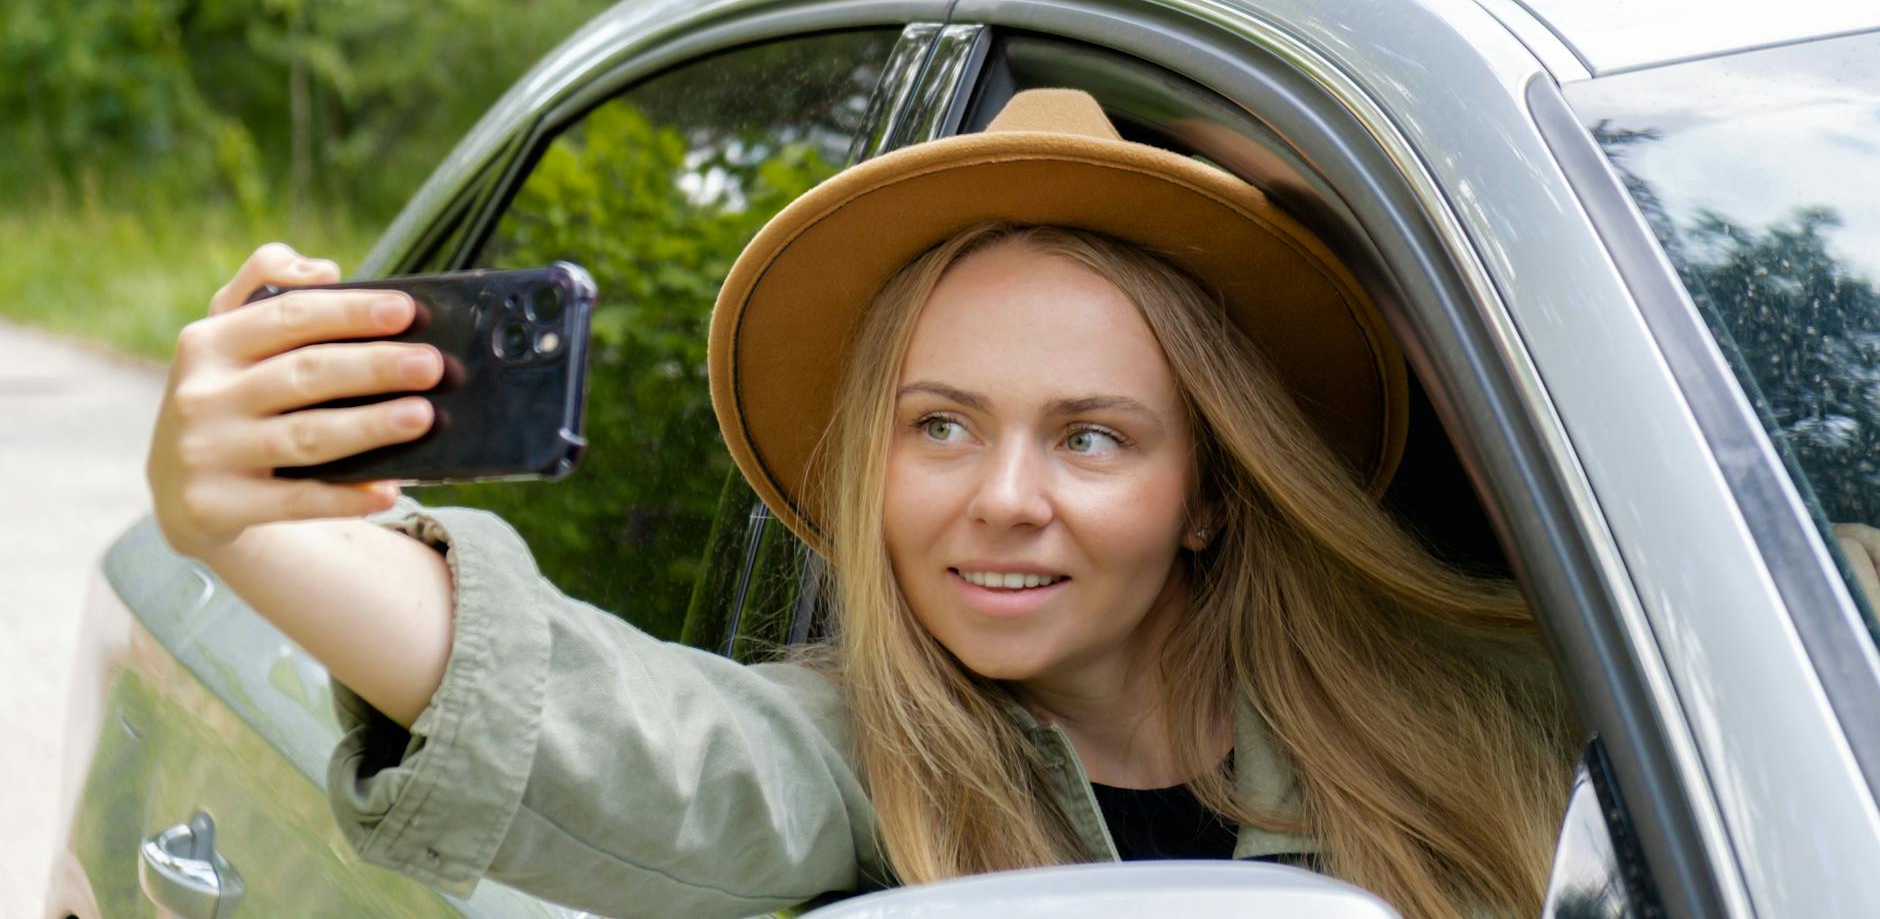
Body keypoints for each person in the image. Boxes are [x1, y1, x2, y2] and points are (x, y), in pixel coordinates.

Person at [147, 89, 1580, 919]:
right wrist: (252, 519)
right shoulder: (851, 759)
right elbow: (627, 735)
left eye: (1090, 438)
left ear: (1208, 493)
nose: (1003, 499)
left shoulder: (1504, 722)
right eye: (939, 425)